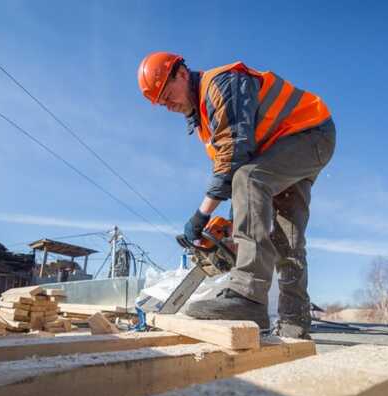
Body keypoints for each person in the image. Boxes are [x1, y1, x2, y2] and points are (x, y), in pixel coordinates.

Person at [137, 52, 335, 338]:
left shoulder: (221, 85)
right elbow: (237, 182)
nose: (168, 105)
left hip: (309, 133)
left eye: (168, 95)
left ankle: (249, 296)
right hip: (292, 145)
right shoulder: (205, 118)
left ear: (181, 74)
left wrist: (200, 216)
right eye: (162, 103)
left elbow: (234, 162)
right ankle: (295, 320)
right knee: (286, 236)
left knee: (249, 177)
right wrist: (235, 225)